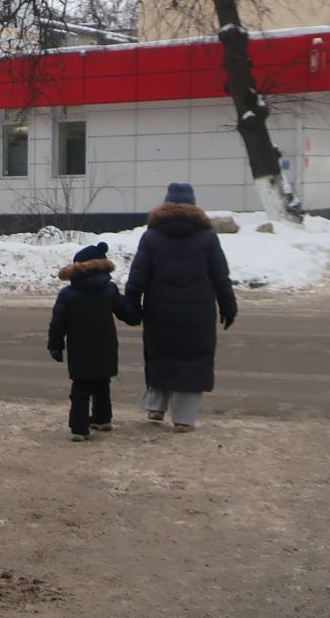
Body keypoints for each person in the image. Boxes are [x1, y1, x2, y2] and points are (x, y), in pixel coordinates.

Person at [124, 183, 237, 432]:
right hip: (197, 313)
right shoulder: (207, 237)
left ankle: (156, 406)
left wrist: (132, 305)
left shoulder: (151, 236)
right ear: (193, 206)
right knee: (193, 359)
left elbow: (137, 277)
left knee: (161, 354)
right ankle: (184, 419)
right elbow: (221, 276)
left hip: (159, 310)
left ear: (165, 205)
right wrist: (229, 306)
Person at [47, 241, 137, 441]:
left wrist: (55, 345)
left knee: (80, 389)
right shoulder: (110, 290)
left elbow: (58, 323)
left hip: (80, 350)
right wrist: (137, 308)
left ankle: (79, 429)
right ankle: (103, 419)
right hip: (106, 347)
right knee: (102, 383)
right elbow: (128, 314)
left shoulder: (68, 294)